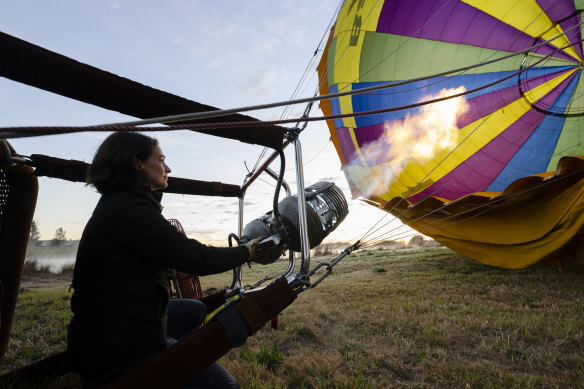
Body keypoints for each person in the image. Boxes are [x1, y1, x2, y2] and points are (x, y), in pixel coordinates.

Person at [67, 132, 260, 388]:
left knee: (195, 309)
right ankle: (146, 367)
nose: (167, 168)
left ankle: (171, 355)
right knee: (226, 387)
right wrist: (246, 252)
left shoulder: (122, 203)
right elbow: (197, 258)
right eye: (161, 159)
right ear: (138, 163)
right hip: (115, 351)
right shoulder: (129, 211)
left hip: (109, 330)